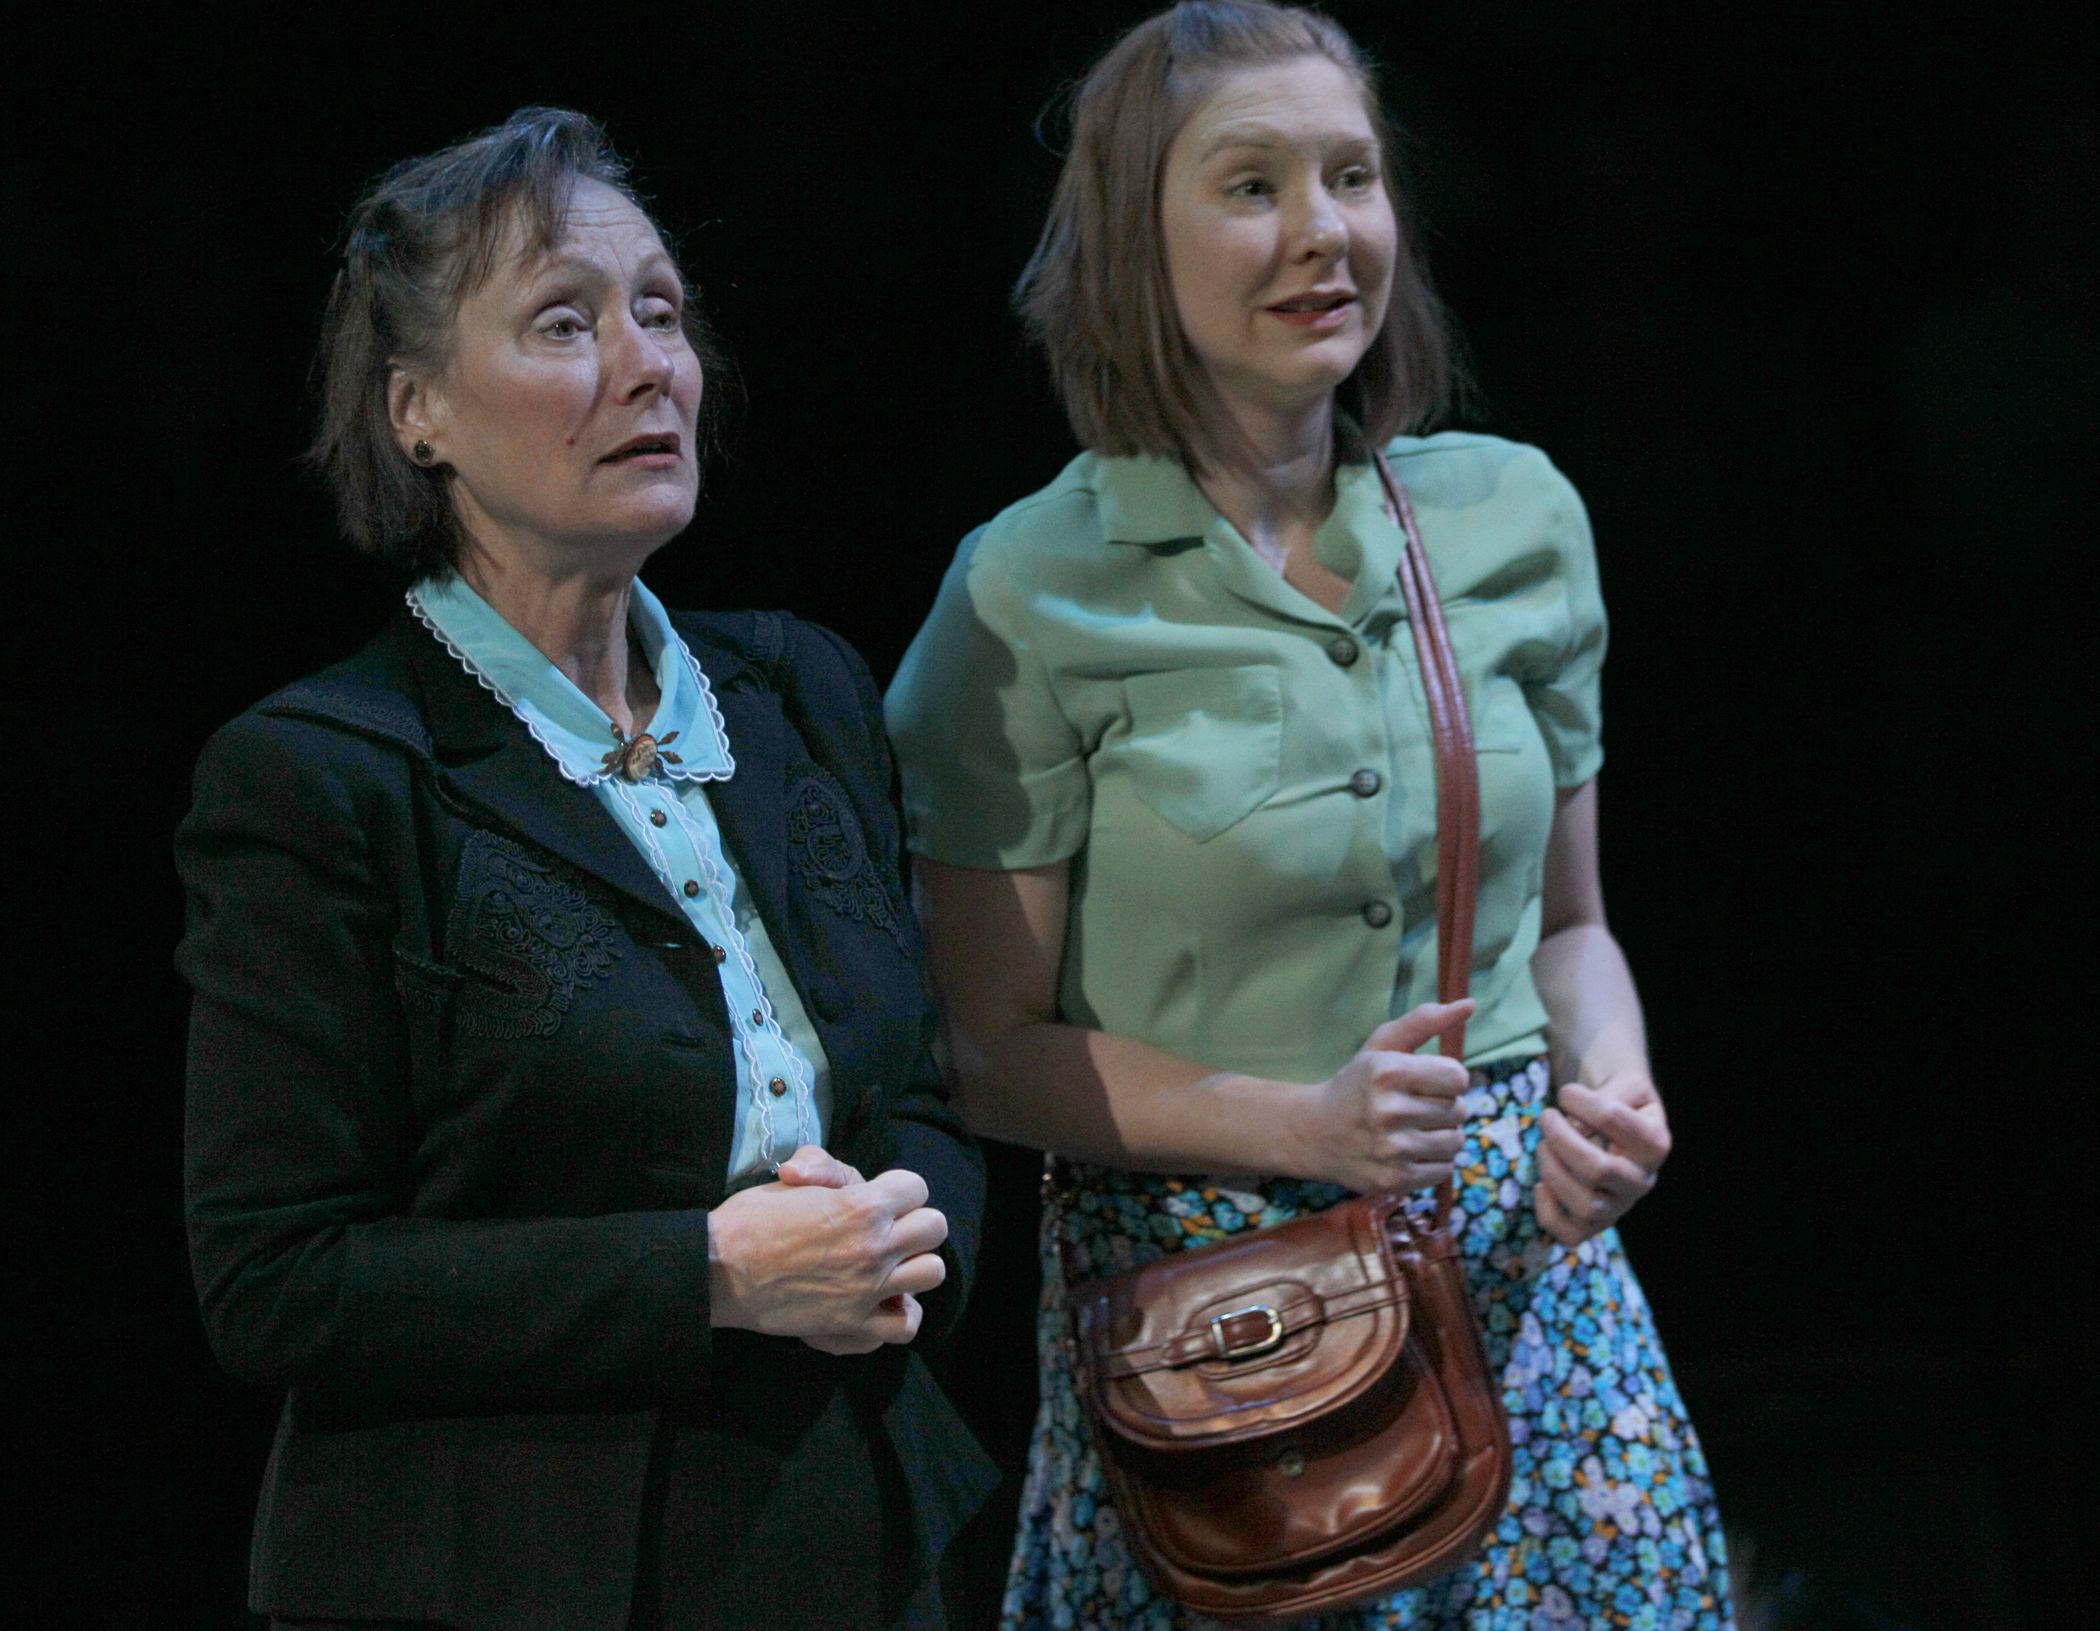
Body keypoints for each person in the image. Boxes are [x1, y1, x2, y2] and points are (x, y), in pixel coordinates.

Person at [884, 5, 1732, 1628]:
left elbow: (1571, 934)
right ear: (1135, 239)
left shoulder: (1515, 517)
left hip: (1534, 1305)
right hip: (1229, 1347)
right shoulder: (1027, 591)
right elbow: (985, 1049)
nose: (1322, 230)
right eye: (1251, 184)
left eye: (1351, 176)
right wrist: (1301, 1129)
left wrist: (1613, 1091)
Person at [176, 108, 992, 1631]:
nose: (645, 365)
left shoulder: (800, 691)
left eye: (662, 314)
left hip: (847, 1535)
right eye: (565, 322)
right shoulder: (325, 776)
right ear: (417, 410)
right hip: (497, 1567)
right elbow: (278, 1281)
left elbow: (927, 1101)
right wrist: (707, 1275)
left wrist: (892, 1226)